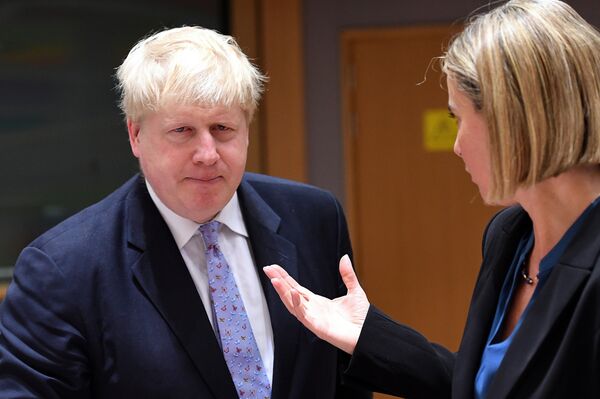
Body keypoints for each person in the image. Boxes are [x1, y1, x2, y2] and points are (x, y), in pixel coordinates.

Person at [0, 27, 371, 399]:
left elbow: (348, 376)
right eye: (182, 130)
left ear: (247, 131)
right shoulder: (62, 269)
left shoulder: (314, 218)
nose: (207, 154)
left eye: (222, 128)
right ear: (135, 135)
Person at [264, 0, 600, 398]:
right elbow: (487, 386)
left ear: (511, 119)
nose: (456, 147)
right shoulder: (509, 236)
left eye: (458, 118)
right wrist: (368, 335)